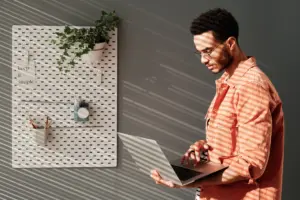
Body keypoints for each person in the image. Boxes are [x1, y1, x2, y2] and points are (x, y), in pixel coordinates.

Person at [150, 7, 285, 200]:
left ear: (230, 43)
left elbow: (251, 164)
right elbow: (234, 144)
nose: (204, 60)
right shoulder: (229, 83)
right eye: (200, 53)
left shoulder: (251, 86)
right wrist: (205, 150)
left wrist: (189, 180)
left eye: (208, 51)